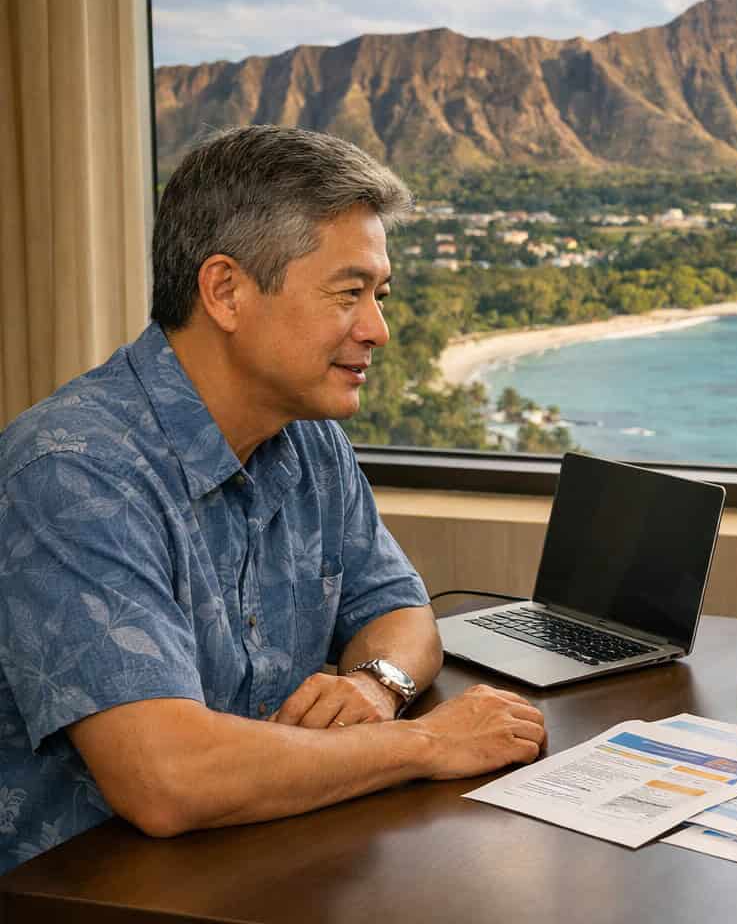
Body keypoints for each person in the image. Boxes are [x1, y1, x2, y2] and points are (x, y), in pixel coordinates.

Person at [0, 126, 547, 875]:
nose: (378, 330)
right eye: (349, 294)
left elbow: (400, 610)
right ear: (226, 291)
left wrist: (376, 686)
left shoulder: (306, 437)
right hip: (85, 896)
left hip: (264, 865)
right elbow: (166, 778)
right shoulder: (71, 471)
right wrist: (426, 742)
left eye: (378, 296)